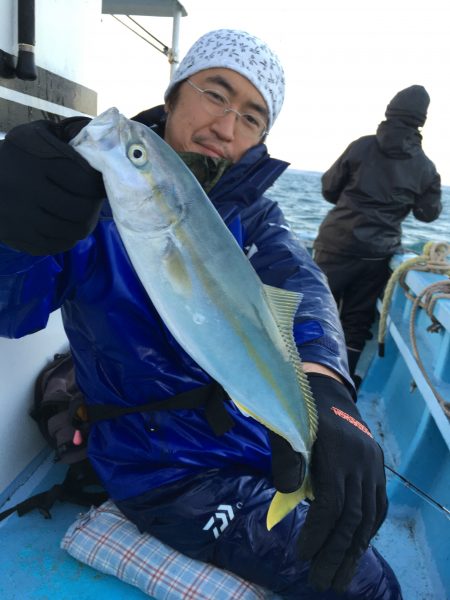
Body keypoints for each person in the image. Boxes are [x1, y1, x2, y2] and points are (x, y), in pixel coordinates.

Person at [0, 29, 402, 599]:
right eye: (216, 94)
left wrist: (330, 392)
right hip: (167, 472)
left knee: (355, 525)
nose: (226, 127)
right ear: (173, 97)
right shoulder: (93, 207)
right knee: (365, 584)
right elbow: (10, 310)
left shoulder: (256, 218)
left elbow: (302, 288)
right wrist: (11, 230)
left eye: (251, 117)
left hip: (256, 440)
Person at [313, 85, 442, 380]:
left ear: (390, 110)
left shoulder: (361, 146)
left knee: (313, 309)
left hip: (335, 243)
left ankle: (300, 376)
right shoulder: (425, 167)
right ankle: (341, 384)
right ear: (421, 121)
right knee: (356, 322)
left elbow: (329, 188)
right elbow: (427, 214)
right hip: (375, 256)